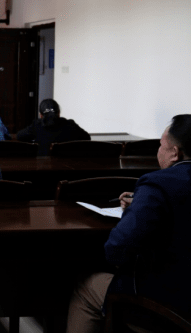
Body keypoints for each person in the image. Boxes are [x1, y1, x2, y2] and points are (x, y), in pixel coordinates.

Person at [66, 115, 191, 332]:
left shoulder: (157, 184)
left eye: (161, 145)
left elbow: (116, 250)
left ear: (174, 153)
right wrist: (144, 204)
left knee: (86, 286)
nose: (158, 151)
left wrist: (137, 210)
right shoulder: (157, 192)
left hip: (170, 310)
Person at [16, 99, 90, 155]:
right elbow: (87, 137)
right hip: (67, 168)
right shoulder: (70, 124)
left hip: (42, 168)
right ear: (59, 113)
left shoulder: (36, 125)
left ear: (40, 115)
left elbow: (19, 136)